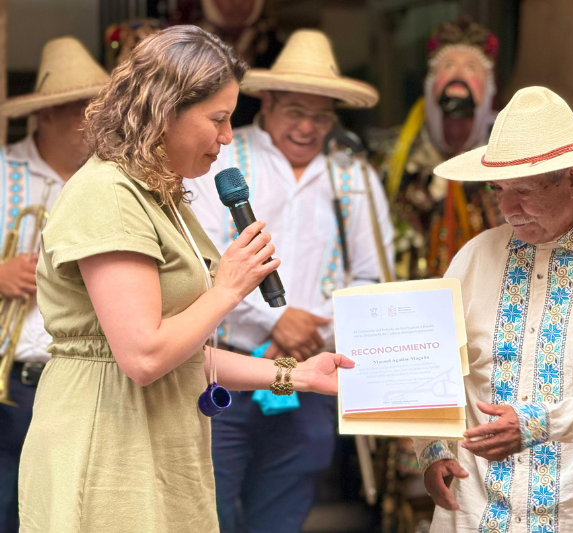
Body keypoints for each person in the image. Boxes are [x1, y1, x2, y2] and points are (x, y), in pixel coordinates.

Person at [18, 25, 352, 533]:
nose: (227, 136)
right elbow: (145, 357)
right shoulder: (107, 193)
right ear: (164, 111)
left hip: (162, 439)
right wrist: (228, 288)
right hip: (107, 444)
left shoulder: (161, 195)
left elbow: (184, 353)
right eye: (218, 119)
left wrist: (297, 375)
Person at [413, 86, 573, 532]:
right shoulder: (474, 258)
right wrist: (433, 450)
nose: (508, 208)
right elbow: (434, 362)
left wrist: (538, 423)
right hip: (477, 513)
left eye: (525, 191)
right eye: (499, 190)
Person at [185, 29, 393, 533]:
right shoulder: (223, 157)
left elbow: (373, 274)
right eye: (295, 110)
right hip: (222, 368)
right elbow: (198, 258)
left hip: (310, 371)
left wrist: (320, 328)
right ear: (268, 102)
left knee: (284, 511)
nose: (306, 127)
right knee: (208, 508)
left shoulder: (354, 176)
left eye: (321, 116)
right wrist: (274, 319)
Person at [0, 36, 108, 532]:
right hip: (18, 382)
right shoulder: (3, 171)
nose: (98, 120)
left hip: (95, 383)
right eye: (84, 109)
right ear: (45, 113)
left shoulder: (113, 179)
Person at [372, 16, 502, 280]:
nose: (458, 75)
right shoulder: (394, 162)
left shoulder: (507, 163)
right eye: (448, 65)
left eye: (471, 68)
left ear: (488, 89)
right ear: (430, 85)